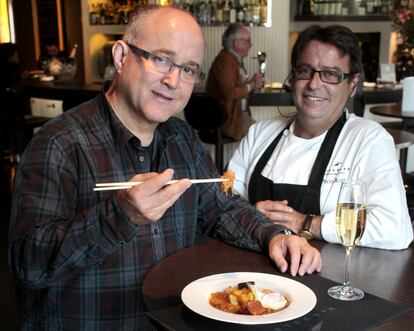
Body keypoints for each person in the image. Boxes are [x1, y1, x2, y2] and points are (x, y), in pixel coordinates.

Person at [8, 7, 321, 330]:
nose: (173, 80)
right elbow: (27, 264)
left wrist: (274, 235)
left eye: (188, 69)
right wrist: (120, 216)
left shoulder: (182, 139)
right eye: (160, 59)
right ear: (121, 56)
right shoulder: (59, 144)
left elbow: (221, 210)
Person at [228, 24, 413, 251]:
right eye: (304, 70)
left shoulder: (369, 140)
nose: (314, 84)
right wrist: (251, 214)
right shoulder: (260, 134)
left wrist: (307, 223)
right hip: (254, 282)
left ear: (352, 84)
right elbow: (223, 203)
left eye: (330, 74)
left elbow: (395, 229)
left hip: (327, 280)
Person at [206, 22, 264, 140]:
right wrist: (252, 85)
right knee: (262, 134)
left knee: (263, 130)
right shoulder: (225, 61)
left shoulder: (231, 59)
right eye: (248, 41)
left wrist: (250, 83)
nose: (251, 45)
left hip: (233, 117)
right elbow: (228, 93)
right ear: (237, 43)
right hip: (227, 121)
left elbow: (235, 87)